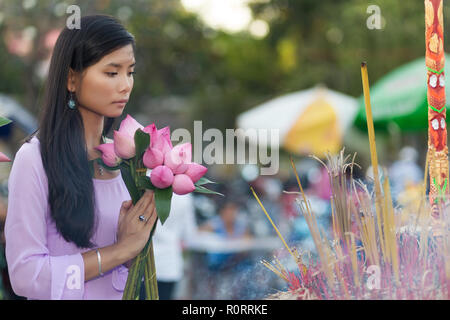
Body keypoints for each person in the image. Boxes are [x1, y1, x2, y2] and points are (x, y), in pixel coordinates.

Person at [4, 15, 157, 300]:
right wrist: (120, 250)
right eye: (112, 73)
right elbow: (25, 275)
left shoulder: (128, 161)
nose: (125, 85)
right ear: (72, 79)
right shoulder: (35, 159)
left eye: (130, 72)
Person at [150, 193, 197, 300]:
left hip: (145, 263)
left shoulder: (145, 186)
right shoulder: (185, 196)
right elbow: (189, 234)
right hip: (170, 263)